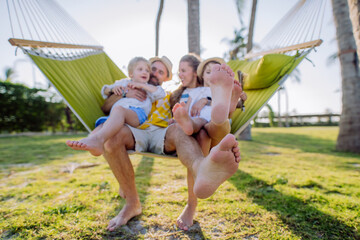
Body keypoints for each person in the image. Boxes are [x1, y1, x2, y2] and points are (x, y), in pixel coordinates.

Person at [72, 55, 244, 231]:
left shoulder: (171, 96)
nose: (153, 73)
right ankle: (132, 204)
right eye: (152, 68)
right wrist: (125, 93)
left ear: (166, 77)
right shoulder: (130, 87)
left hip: (163, 132)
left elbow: (197, 102)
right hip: (135, 129)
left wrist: (215, 100)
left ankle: (201, 168)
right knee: (111, 138)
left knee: (179, 128)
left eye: (160, 71)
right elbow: (106, 107)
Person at [66, 57, 165, 156]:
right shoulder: (123, 83)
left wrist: (142, 86)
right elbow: (104, 90)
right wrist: (113, 89)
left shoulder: (148, 88)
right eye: (140, 69)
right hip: (116, 116)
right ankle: (91, 142)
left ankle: (98, 140)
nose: (145, 72)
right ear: (131, 74)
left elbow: (161, 93)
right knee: (101, 125)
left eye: (147, 71)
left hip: (137, 115)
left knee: (118, 110)